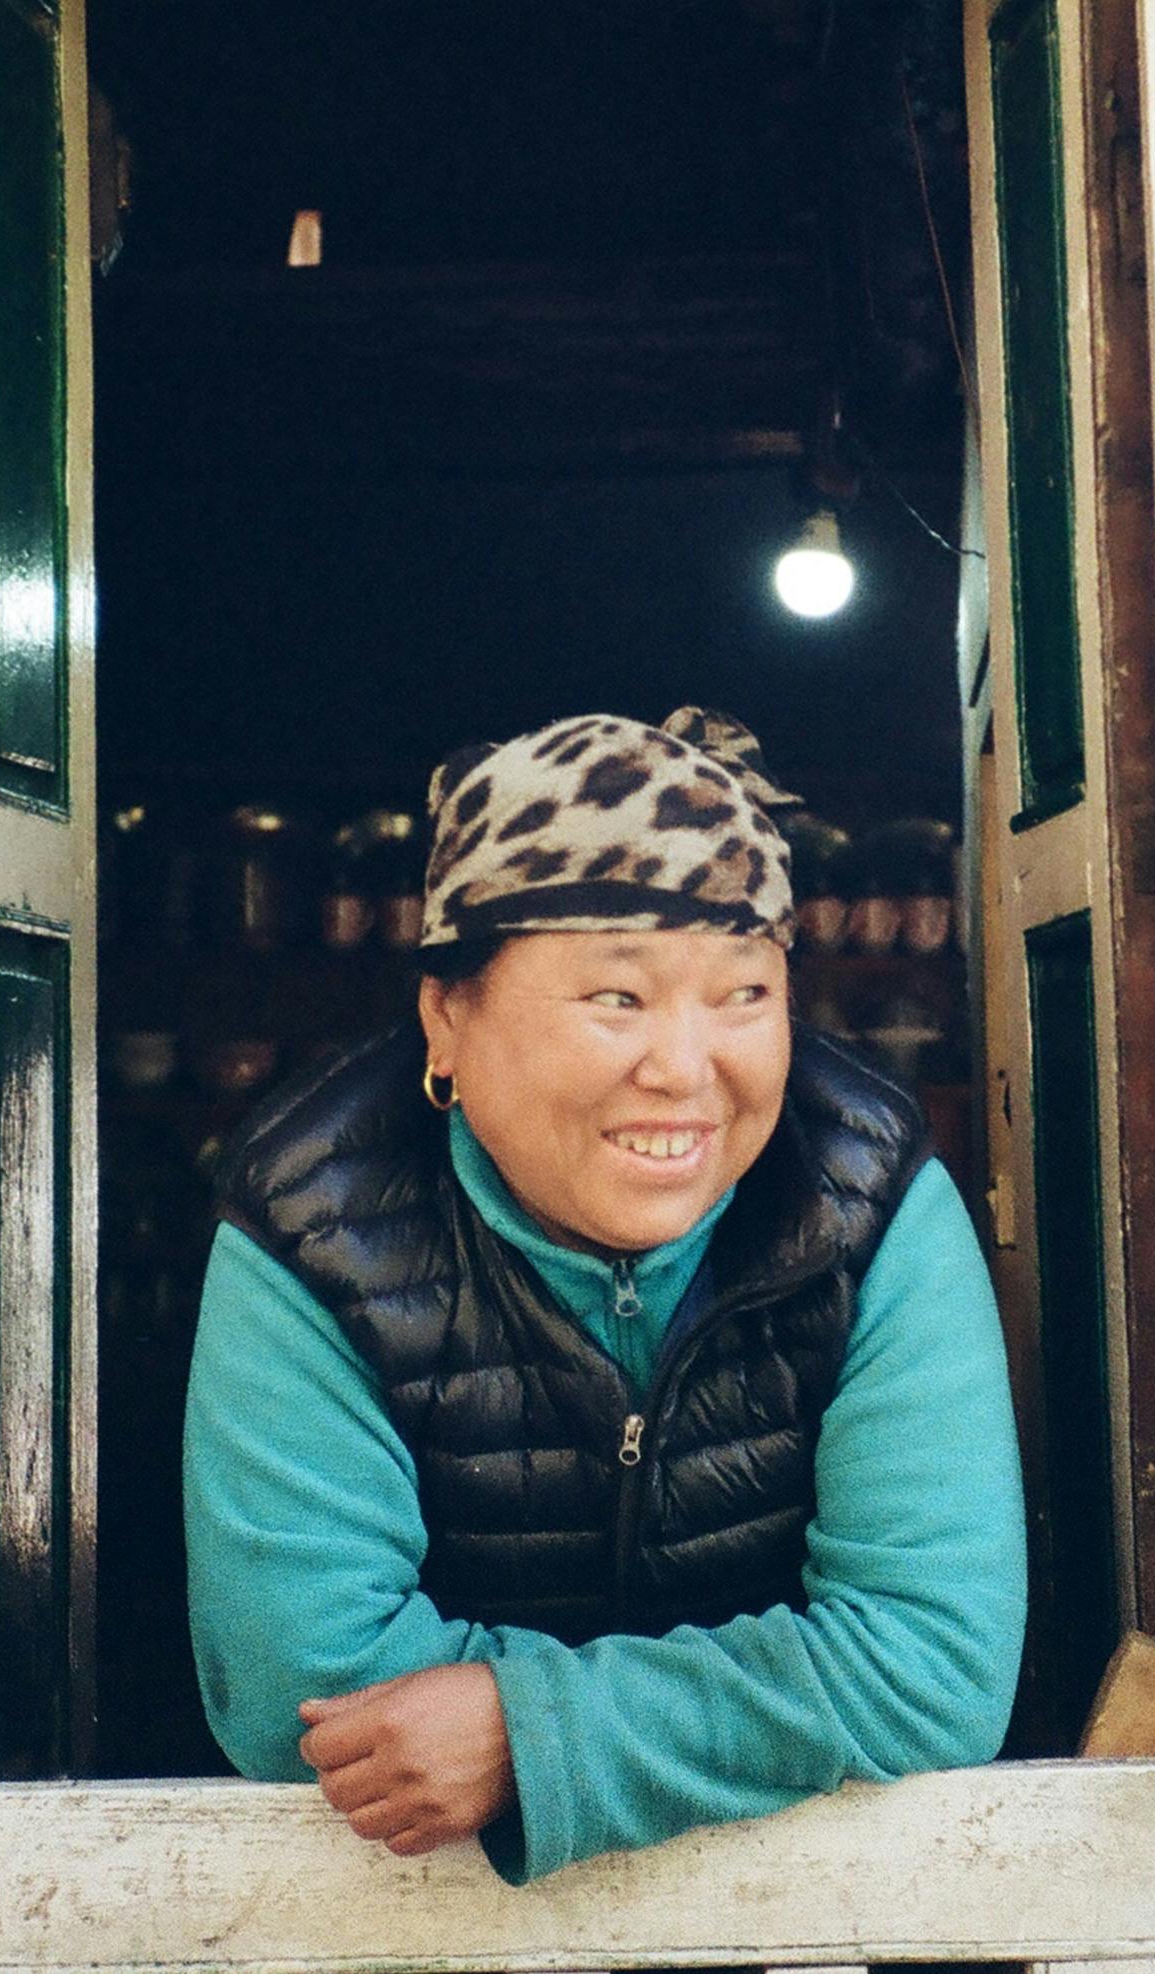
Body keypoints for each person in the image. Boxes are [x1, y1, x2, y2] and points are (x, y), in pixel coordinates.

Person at [184, 707, 1026, 1881]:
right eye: (617, 999)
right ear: (446, 1016)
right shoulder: (313, 1221)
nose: (684, 1069)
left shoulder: (869, 1196)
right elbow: (307, 1694)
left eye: (744, 995)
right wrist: (773, 1710)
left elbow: (933, 1666)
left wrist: (530, 1734)